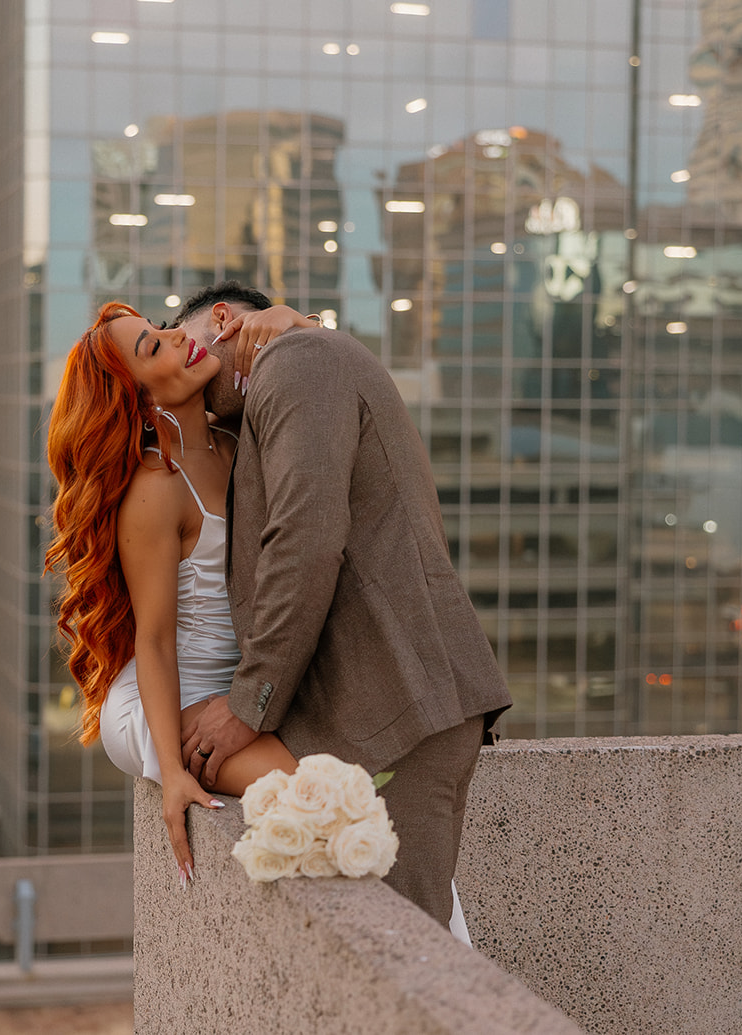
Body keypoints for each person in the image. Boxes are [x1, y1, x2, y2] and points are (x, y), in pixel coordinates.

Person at [174, 281, 513, 926]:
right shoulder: (295, 364)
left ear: (220, 320)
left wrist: (249, 704)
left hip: (394, 707)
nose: (184, 373)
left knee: (403, 950)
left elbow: (304, 539)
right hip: (377, 709)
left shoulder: (298, 359)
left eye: (180, 344)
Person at [45, 301, 300, 888]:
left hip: (236, 687)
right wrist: (171, 769)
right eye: (153, 346)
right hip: (161, 698)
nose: (178, 337)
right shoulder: (155, 490)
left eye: (160, 329)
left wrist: (298, 323)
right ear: (139, 402)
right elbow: (155, 641)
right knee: (308, 790)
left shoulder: (234, 441)